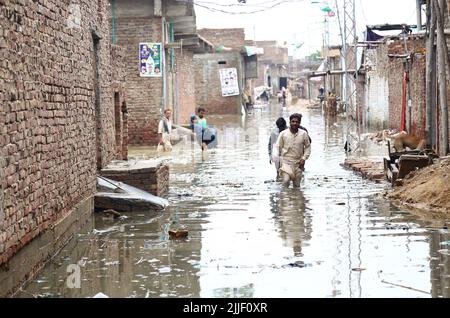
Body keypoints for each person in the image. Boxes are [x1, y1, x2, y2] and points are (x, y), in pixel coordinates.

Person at [276, 113, 311, 188]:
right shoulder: (283, 134)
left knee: (297, 185)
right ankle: (284, 198)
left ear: (299, 123)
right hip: (286, 162)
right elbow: (277, 147)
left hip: (298, 163)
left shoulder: (303, 134)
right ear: (290, 122)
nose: (295, 123)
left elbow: (308, 147)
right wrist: (277, 161)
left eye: (297, 122)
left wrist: (304, 158)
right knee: (286, 181)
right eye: (293, 121)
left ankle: (296, 198)